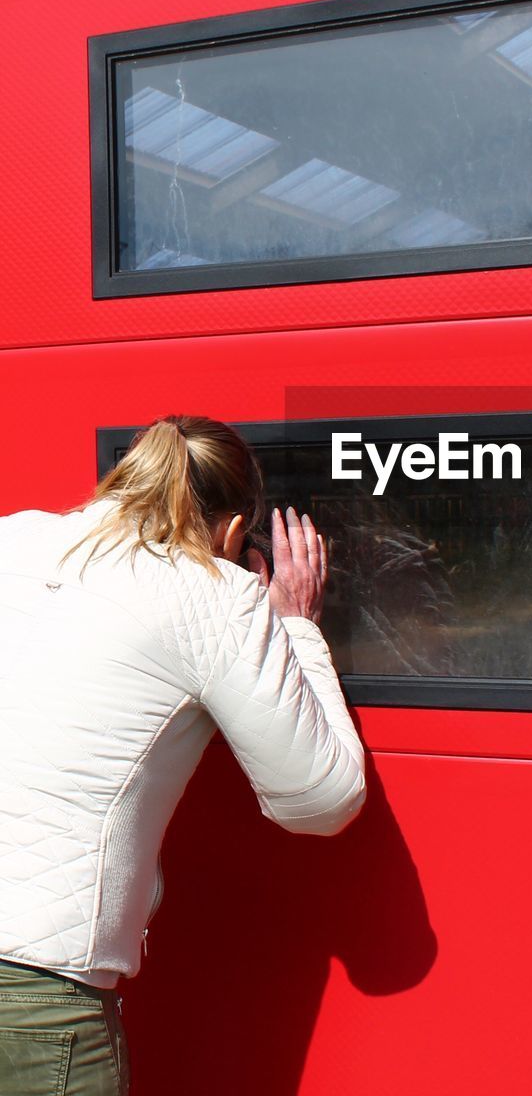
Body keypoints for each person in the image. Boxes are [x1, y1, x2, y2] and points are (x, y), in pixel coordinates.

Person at [0, 415, 366, 1095]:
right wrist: (296, 628)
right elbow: (321, 799)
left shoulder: (10, 537)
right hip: (33, 1000)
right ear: (232, 533)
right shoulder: (217, 595)